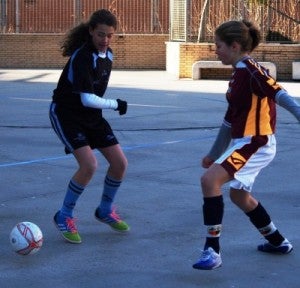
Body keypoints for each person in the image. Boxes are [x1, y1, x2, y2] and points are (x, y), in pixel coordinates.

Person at [193, 20, 300, 270]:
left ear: (235, 46)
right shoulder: (238, 74)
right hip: (246, 141)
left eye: (218, 45)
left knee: (210, 181)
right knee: (239, 195)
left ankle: (212, 250)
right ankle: (277, 241)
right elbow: (229, 121)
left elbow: (280, 94)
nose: (215, 50)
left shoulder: (252, 70)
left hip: (256, 142)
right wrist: (213, 154)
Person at [49, 9, 129, 244]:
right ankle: (64, 215)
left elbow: (93, 99)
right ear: (91, 32)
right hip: (67, 114)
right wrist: (116, 104)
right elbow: (86, 97)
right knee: (89, 165)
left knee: (120, 163)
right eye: (101, 34)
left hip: (92, 116)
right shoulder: (82, 56)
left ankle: (105, 210)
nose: (105, 40)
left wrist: (106, 107)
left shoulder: (109, 56)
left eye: (110, 35)